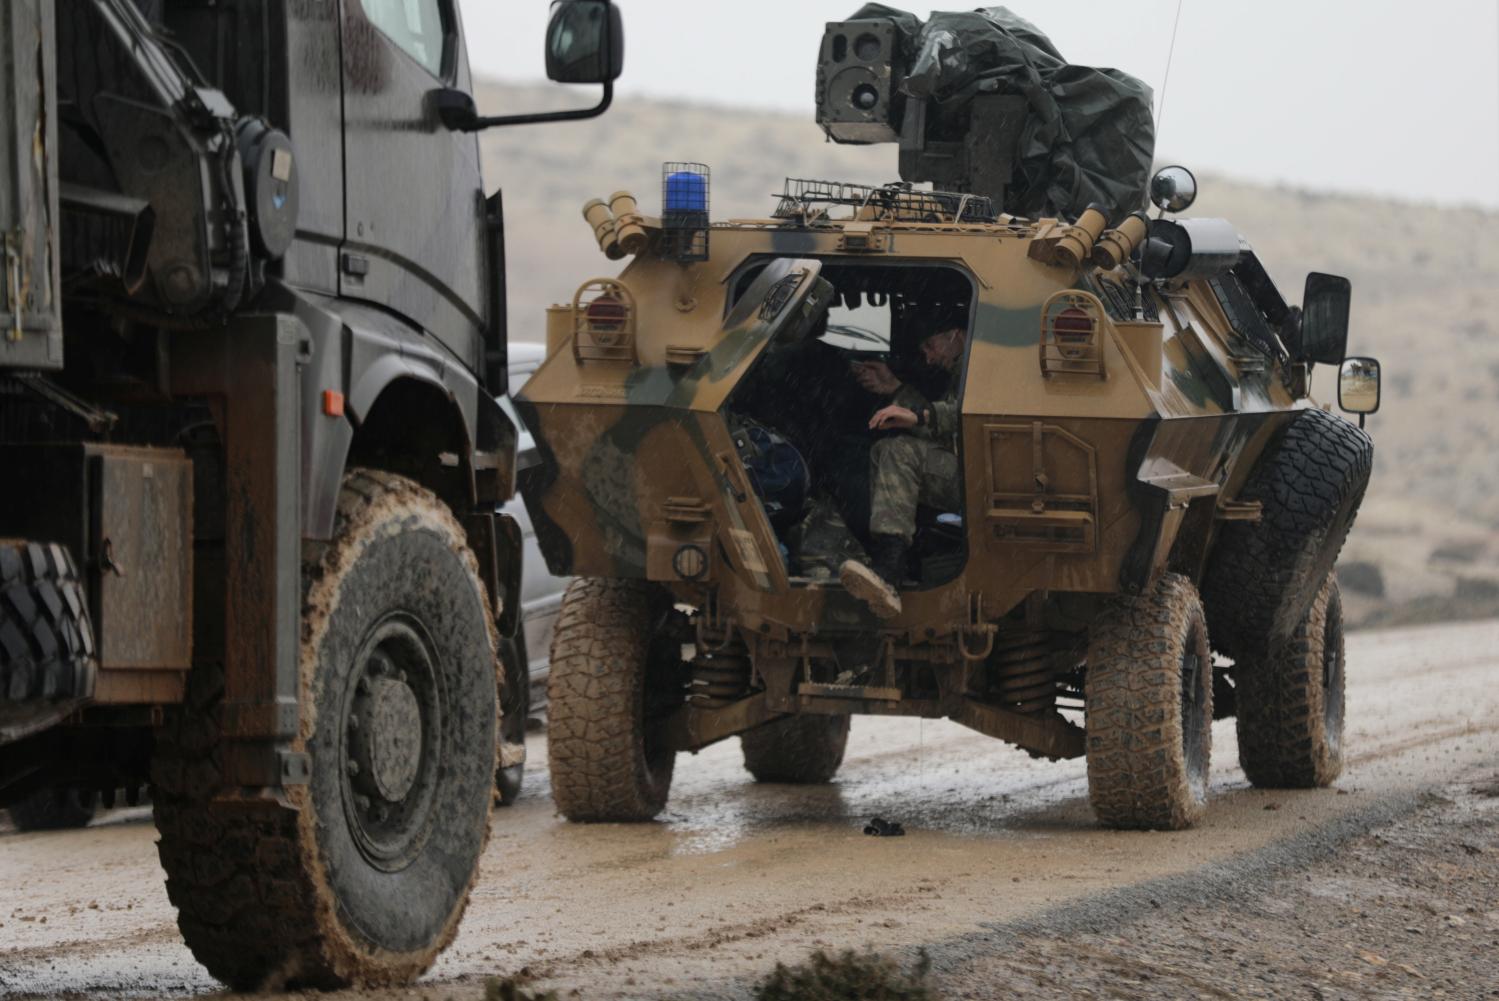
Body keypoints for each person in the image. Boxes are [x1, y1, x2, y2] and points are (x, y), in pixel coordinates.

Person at [840, 321, 967, 618]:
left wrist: (918, 414)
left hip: (984, 476)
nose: (929, 357)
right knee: (882, 449)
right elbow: (946, 433)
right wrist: (895, 389)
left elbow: (967, 415)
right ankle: (891, 563)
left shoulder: (984, 361)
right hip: (969, 469)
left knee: (897, 451)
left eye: (930, 346)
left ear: (954, 333)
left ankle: (890, 569)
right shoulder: (963, 366)